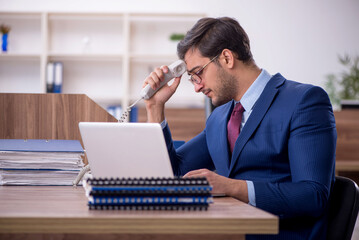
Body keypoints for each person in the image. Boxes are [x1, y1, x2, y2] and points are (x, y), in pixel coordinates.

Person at [143, 17, 336, 240]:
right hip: (227, 232)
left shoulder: (304, 101)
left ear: (226, 58)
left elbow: (313, 195)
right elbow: (174, 175)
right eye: (192, 78)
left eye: (198, 73)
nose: (197, 87)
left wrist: (231, 187)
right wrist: (155, 107)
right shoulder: (220, 118)